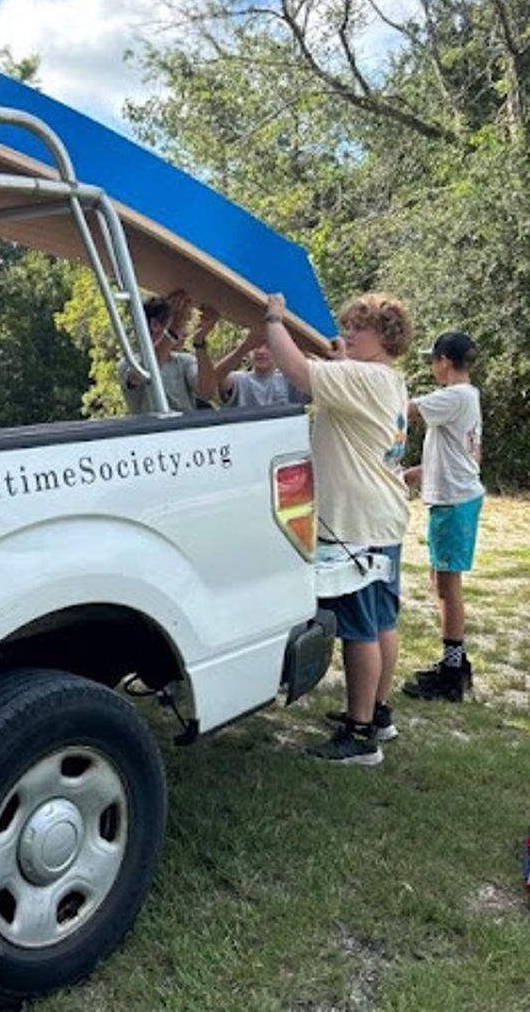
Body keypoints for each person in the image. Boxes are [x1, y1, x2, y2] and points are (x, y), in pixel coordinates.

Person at [264, 290, 411, 765]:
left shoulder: (364, 378)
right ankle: (378, 713)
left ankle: (360, 734)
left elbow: (298, 371)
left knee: (358, 630)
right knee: (382, 621)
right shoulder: (387, 379)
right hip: (382, 518)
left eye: (356, 328)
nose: (345, 334)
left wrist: (273, 319)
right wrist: (343, 356)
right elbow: (333, 375)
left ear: (384, 336)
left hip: (355, 523)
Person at [401, 330, 484, 702]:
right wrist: (420, 471)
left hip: (454, 502)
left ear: (445, 361)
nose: (432, 367)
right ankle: (455, 660)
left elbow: (401, 410)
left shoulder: (453, 396)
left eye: (433, 360)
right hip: (454, 496)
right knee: (440, 582)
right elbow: (459, 450)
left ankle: (452, 673)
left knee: (447, 587)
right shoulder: (467, 397)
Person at [119, 289, 219, 414]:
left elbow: (207, 392)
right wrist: (174, 329)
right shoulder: (130, 363)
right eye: (182, 322)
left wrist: (200, 343)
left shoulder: (184, 360)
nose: (185, 331)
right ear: (155, 325)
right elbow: (144, 372)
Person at [214, 327, 306, 409]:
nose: (261, 351)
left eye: (268, 346)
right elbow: (214, 379)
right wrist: (243, 348)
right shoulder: (239, 379)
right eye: (255, 346)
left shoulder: (288, 380)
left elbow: (316, 383)